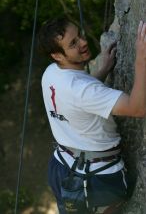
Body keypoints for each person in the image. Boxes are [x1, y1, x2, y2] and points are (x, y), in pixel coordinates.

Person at [38, 17, 146, 214]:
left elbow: (78, 100)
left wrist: (103, 70)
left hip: (60, 166)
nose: (83, 42)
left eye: (79, 35)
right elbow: (137, 108)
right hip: (99, 180)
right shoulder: (83, 90)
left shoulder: (50, 74)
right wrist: (141, 59)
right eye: (73, 43)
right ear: (57, 55)